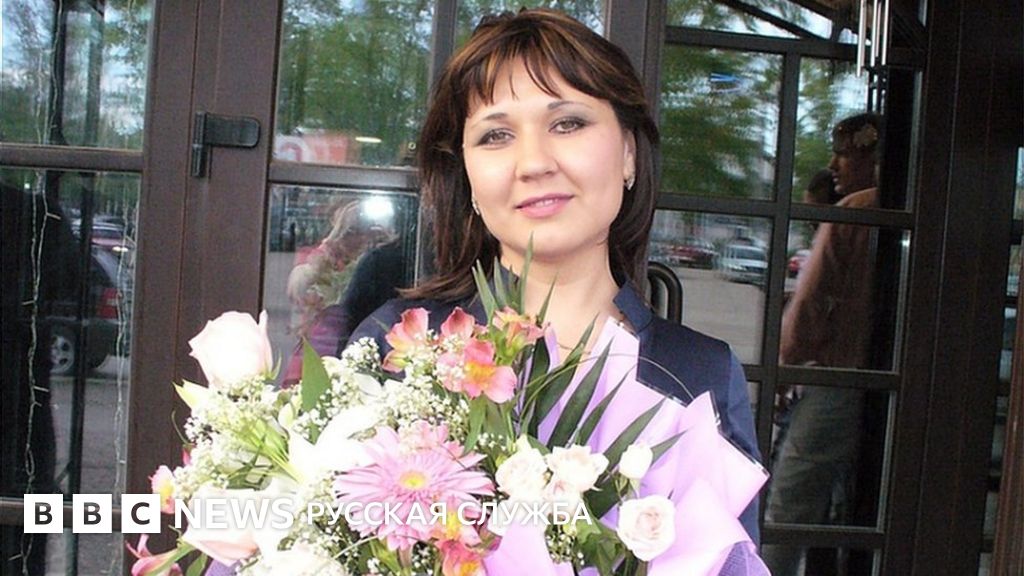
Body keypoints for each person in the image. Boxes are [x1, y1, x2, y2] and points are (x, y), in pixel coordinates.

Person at [345, 8, 764, 551]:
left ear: (628, 153)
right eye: (496, 135)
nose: (534, 163)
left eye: (567, 124)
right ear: (466, 177)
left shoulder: (701, 374)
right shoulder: (399, 350)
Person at [764, 113, 882, 575]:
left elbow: (810, 303)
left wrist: (785, 366)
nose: (834, 166)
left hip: (838, 379)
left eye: (845, 155)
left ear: (873, 158)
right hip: (893, 388)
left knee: (790, 504)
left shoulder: (852, 212)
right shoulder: (926, 214)